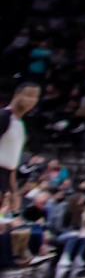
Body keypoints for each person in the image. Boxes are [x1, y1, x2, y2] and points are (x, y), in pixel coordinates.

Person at [0, 81, 39, 215]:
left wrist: (14, 192)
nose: (31, 100)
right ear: (16, 95)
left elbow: (12, 164)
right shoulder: (3, 116)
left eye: (35, 97)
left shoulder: (21, 125)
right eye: (28, 95)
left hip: (5, 178)